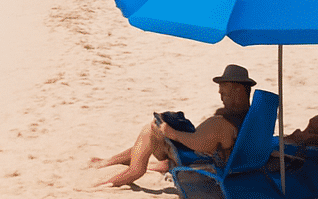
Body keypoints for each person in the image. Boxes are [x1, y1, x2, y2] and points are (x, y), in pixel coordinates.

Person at [90, 65, 257, 186]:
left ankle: (116, 178)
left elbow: (198, 143)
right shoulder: (250, 116)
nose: (221, 97)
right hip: (201, 148)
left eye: (224, 93)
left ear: (238, 90)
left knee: (151, 131)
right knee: (154, 136)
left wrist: (172, 133)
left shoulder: (223, 123)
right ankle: (111, 161)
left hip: (192, 154)